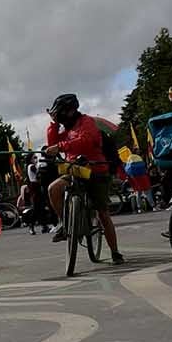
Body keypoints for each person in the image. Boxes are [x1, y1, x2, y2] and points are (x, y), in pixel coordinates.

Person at [44, 93, 125, 265]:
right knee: (53, 189)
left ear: (71, 111)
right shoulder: (67, 128)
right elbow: (52, 142)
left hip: (96, 170)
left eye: (60, 115)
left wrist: (59, 146)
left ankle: (115, 252)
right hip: (75, 170)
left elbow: (86, 142)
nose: (60, 118)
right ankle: (65, 223)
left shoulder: (87, 122)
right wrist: (53, 125)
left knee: (103, 213)